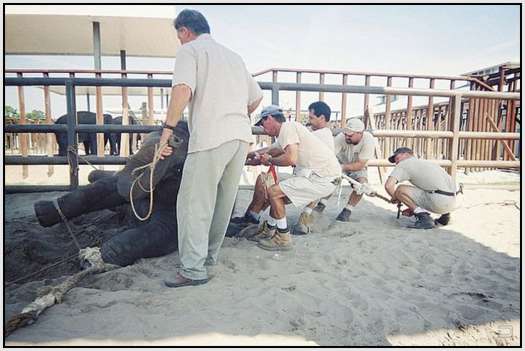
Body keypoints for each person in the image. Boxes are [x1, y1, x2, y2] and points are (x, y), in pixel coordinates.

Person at [158, 9, 263, 288]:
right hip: (239, 137)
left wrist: (167, 131)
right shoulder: (234, 57)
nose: (179, 40)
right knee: (221, 203)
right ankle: (207, 261)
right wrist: (234, 114)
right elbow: (256, 97)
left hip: (210, 137)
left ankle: (192, 270)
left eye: (178, 35)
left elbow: (182, 90)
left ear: (184, 31)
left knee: (194, 204)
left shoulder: (190, 51)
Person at [230, 101, 335, 236]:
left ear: (270, 118)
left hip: (310, 181)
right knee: (267, 181)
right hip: (305, 178)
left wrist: (268, 160)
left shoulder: (319, 135)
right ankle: (255, 219)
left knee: (267, 184)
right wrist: (249, 157)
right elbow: (273, 149)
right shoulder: (308, 132)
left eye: (311, 118)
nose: (308, 121)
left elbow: (287, 157)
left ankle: (275, 230)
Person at [384, 147, 459, 229]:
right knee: (433, 186)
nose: (397, 163)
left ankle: (424, 218)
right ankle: (445, 217)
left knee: (400, 190)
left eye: (397, 158)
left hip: (439, 202)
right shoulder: (427, 163)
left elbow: (388, 186)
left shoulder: (404, 164)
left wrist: (396, 198)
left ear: (406, 154)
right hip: (454, 202)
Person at [333, 118, 377, 222]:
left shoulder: (368, 140)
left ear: (360, 133)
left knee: (362, 185)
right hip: (339, 163)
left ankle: (347, 211)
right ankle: (320, 206)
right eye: (346, 134)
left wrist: (343, 167)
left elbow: (361, 165)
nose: (347, 137)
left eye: (350, 135)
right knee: (330, 181)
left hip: (357, 166)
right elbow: (330, 156)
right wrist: (336, 169)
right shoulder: (340, 138)